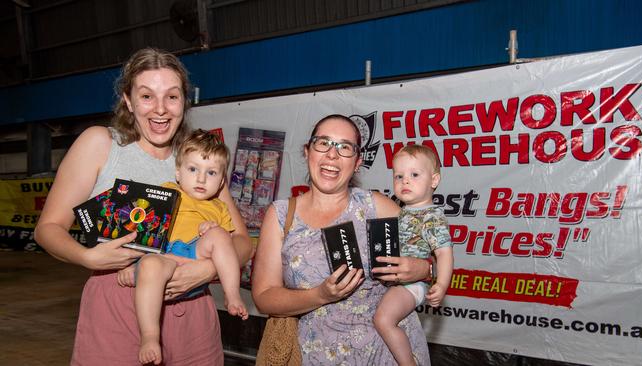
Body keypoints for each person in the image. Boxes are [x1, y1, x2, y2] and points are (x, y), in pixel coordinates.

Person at [34, 47, 252, 366]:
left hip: (191, 310)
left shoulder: (199, 161)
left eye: (172, 97)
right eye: (147, 96)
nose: (160, 109)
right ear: (128, 100)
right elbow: (47, 229)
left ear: (184, 102)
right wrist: (86, 255)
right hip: (119, 303)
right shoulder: (101, 143)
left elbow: (243, 242)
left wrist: (205, 270)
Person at [252, 114, 433, 365]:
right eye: (323, 143)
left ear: (358, 161)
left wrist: (424, 268)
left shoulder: (376, 206)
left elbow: (432, 254)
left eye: (345, 147)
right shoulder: (282, 216)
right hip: (317, 355)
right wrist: (321, 295)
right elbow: (264, 297)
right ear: (307, 151)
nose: (332, 155)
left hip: (389, 355)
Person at [115, 129, 248, 365]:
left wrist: (213, 230)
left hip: (195, 254)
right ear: (178, 172)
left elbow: (229, 244)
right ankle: (150, 336)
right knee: (151, 265)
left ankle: (232, 295)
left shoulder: (219, 207)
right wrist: (133, 265)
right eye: (193, 169)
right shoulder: (166, 192)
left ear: (221, 182)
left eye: (211, 173)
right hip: (166, 255)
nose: (201, 179)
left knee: (219, 236)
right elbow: (147, 232)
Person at [373, 144, 454, 365]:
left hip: (412, 285)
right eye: (398, 176)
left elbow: (444, 253)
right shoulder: (402, 212)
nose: (405, 181)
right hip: (397, 282)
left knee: (384, 319)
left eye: (414, 174)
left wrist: (442, 284)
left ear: (434, 180)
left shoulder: (432, 216)